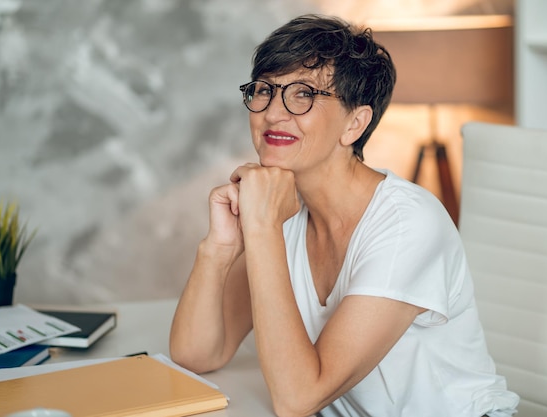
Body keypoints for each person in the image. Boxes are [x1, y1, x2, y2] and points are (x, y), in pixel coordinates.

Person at [169, 14, 519, 417]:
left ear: (355, 123)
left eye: (303, 94)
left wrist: (262, 229)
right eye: (265, 89)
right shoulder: (285, 214)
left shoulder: (407, 223)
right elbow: (197, 354)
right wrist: (220, 247)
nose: (272, 113)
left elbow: (297, 399)